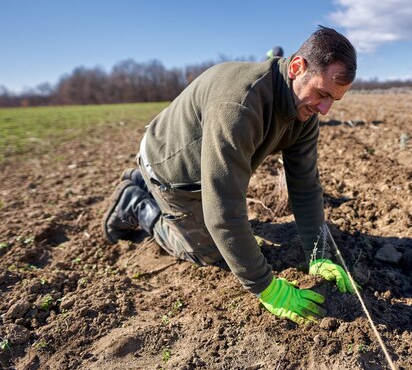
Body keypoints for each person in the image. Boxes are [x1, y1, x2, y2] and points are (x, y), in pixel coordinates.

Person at [102, 26, 358, 325]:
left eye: (334, 100)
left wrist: (318, 254)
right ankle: (137, 203)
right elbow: (222, 210)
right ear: (297, 67)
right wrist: (266, 287)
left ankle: (146, 190)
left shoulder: (304, 112)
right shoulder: (239, 105)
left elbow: (305, 185)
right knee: (213, 253)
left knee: (235, 239)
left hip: (202, 163)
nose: (325, 109)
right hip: (172, 171)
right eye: (322, 94)